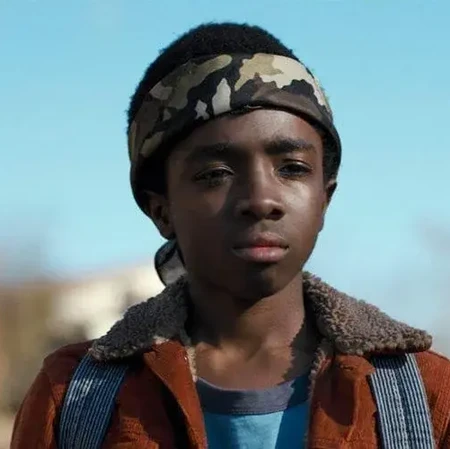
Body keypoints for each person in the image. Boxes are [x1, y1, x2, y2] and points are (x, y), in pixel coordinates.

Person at [11, 22, 450, 449]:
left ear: (324, 199)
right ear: (161, 210)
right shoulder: (76, 398)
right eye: (215, 173)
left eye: (292, 168)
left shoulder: (424, 397)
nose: (261, 200)